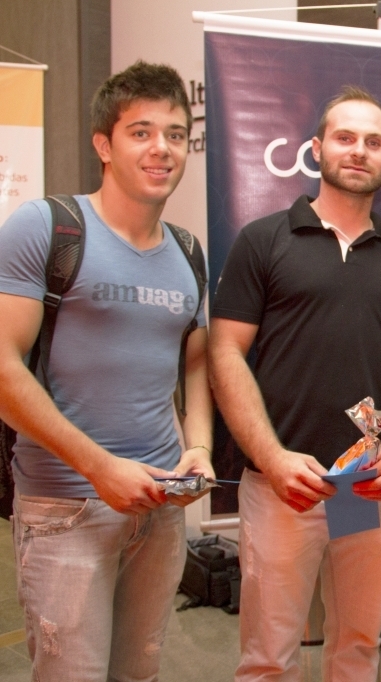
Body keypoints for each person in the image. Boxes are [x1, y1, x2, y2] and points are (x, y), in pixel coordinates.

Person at [209, 86, 381, 682]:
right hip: (285, 486)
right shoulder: (264, 240)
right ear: (316, 149)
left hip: (364, 488)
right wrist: (271, 458)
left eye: (374, 142)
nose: (359, 150)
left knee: (357, 647)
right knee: (268, 657)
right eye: (345, 137)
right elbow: (225, 353)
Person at [0, 61, 213, 681]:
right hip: (65, 505)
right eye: (140, 132)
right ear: (104, 144)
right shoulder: (47, 228)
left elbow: (195, 365)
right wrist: (100, 468)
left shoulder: (188, 251)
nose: (161, 148)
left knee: (138, 674)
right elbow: (4, 370)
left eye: (175, 134)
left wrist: (198, 447)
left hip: (160, 507)